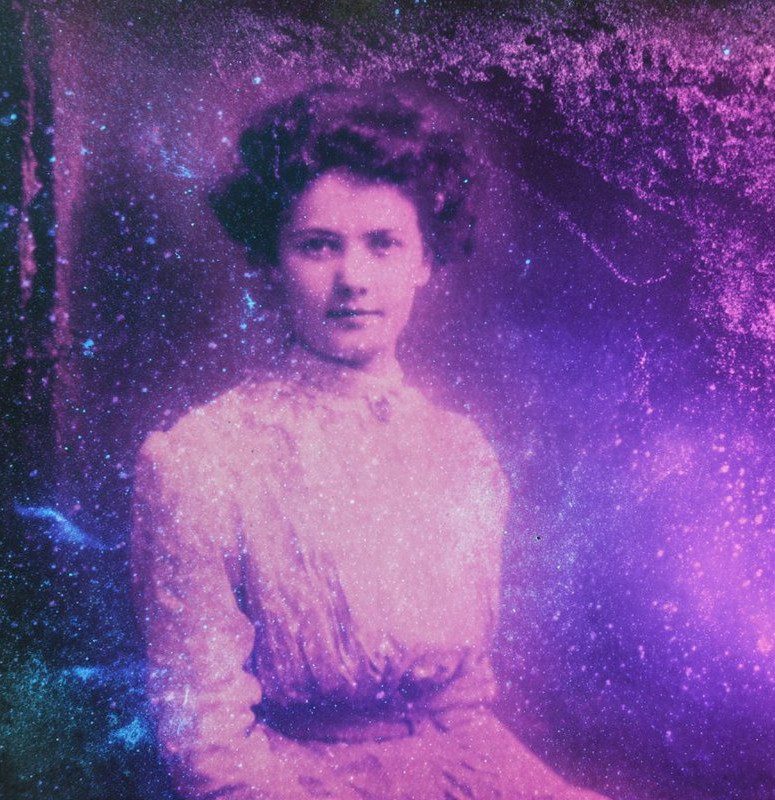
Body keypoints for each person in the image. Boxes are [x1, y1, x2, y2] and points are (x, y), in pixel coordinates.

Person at [129, 86, 608, 799]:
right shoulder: (202, 462)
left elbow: (464, 710)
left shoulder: (463, 453)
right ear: (272, 260)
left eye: (383, 244)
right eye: (318, 245)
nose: (352, 278)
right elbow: (208, 745)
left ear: (424, 260)